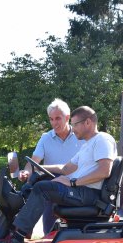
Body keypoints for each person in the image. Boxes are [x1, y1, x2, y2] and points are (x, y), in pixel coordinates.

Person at [0, 106, 117, 243]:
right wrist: (39, 168)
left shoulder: (102, 139)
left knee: (43, 189)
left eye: (75, 124)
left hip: (90, 194)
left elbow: (104, 171)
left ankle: (16, 240)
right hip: (82, 191)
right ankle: (15, 233)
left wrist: (73, 183)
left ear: (88, 122)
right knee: (41, 181)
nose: (73, 128)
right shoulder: (87, 145)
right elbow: (65, 168)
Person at [19, 98, 84, 235]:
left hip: (76, 186)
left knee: (45, 190)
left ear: (67, 118)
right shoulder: (45, 137)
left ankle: (27, 234)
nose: (54, 123)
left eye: (58, 118)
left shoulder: (81, 137)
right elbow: (33, 162)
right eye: (51, 119)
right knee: (28, 191)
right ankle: (23, 235)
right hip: (53, 186)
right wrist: (26, 172)